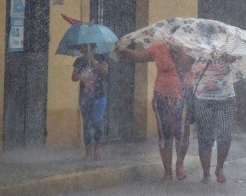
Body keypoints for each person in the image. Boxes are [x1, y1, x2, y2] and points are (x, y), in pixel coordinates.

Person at [114, 42, 194, 181]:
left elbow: (186, 67)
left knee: (182, 134)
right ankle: (167, 171)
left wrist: (179, 51)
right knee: (165, 134)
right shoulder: (158, 47)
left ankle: (179, 164)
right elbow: (139, 57)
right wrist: (125, 51)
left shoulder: (189, 48)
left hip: (183, 95)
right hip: (161, 96)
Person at [190, 53, 237, 183]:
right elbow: (188, 61)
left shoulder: (227, 38)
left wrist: (228, 57)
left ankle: (219, 168)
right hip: (202, 96)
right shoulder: (195, 42)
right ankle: (206, 173)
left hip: (225, 96)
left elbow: (235, 56)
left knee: (225, 134)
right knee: (204, 136)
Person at [71, 43, 109, 161]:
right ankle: (88, 151)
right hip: (85, 97)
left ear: (91, 47)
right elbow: (73, 77)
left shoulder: (100, 57)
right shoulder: (79, 61)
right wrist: (81, 76)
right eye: (81, 47)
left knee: (97, 122)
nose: (82, 49)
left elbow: (105, 71)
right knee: (87, 124)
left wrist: (93, 60)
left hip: (99, 96)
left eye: (84, 47)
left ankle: (97, 149)